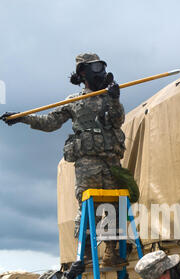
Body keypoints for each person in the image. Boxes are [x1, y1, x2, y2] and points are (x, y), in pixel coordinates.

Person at [1, 52, 127, 267]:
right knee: (89, 207)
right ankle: (87, 252)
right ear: (83, 73)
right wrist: (23, 118)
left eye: (102, 67)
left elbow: (117, 122)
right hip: (88, 162)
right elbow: (50, 122)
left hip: (112, 160)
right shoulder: (74, 101)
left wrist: (115, 99)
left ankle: (111, 252)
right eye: (95, 68)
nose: (101, 73)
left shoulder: (109, 97)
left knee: (117, 206)